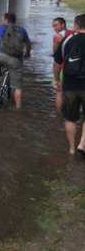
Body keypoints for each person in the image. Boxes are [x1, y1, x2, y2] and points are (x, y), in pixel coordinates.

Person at [54, 13, 85, 156]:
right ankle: (82, 144)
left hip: (70, 85)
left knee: (70, 118)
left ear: (76, 24)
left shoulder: (67, 40)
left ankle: (72, 149)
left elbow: (57, 63)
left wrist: (56, 79)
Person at [52, 17, 74, 114]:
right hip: (77, 68)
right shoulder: (74, 33)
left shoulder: (57, 37)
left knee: (59, 92)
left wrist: (56, 77)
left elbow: (56, 55)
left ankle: (59, 116)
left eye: (56, 25)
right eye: (53, 26)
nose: (54, 28)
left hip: (63, 68)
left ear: (63, 25)